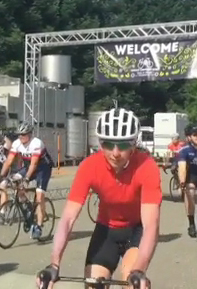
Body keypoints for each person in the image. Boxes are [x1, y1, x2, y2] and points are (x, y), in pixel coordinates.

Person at [36, 108, 159, 289]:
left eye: (123, 145)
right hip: (106, 230)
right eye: (109, 145)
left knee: (131, 282)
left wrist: (139, 270)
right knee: (93, 285)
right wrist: (54, 264)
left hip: (136, 230)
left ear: (134, 144)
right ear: (100, 144)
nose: (115, 153)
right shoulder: (90, 166)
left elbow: (151, 226)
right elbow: (68, 219)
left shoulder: (147, 167)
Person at [0, 122, 54, 239]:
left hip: (42, 169)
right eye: (19, 135)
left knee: (39, 197)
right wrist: (1, 175)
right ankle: (28, 207)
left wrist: (27, 179)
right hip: (28, 167)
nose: (21, 137)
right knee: (13, 183)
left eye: (23, 135)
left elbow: (34, 164)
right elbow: (8, 161)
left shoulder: (36, 143)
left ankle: (38, 226)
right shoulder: (17, 143)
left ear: (29, 134)